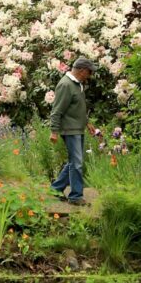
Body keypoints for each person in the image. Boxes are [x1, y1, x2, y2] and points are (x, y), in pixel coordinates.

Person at [48, 56, 97, 206]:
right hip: (70, 130)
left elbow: (77, 108)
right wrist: (54, 131)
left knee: (74, 162)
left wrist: (87, 123)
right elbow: (56, 110)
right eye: (89, 72)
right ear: (82, 71)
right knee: (77, 163)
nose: (89, 76)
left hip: (77, 128)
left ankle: (55, 189)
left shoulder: (77, 84)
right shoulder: (65, 85)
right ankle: (75, 196)